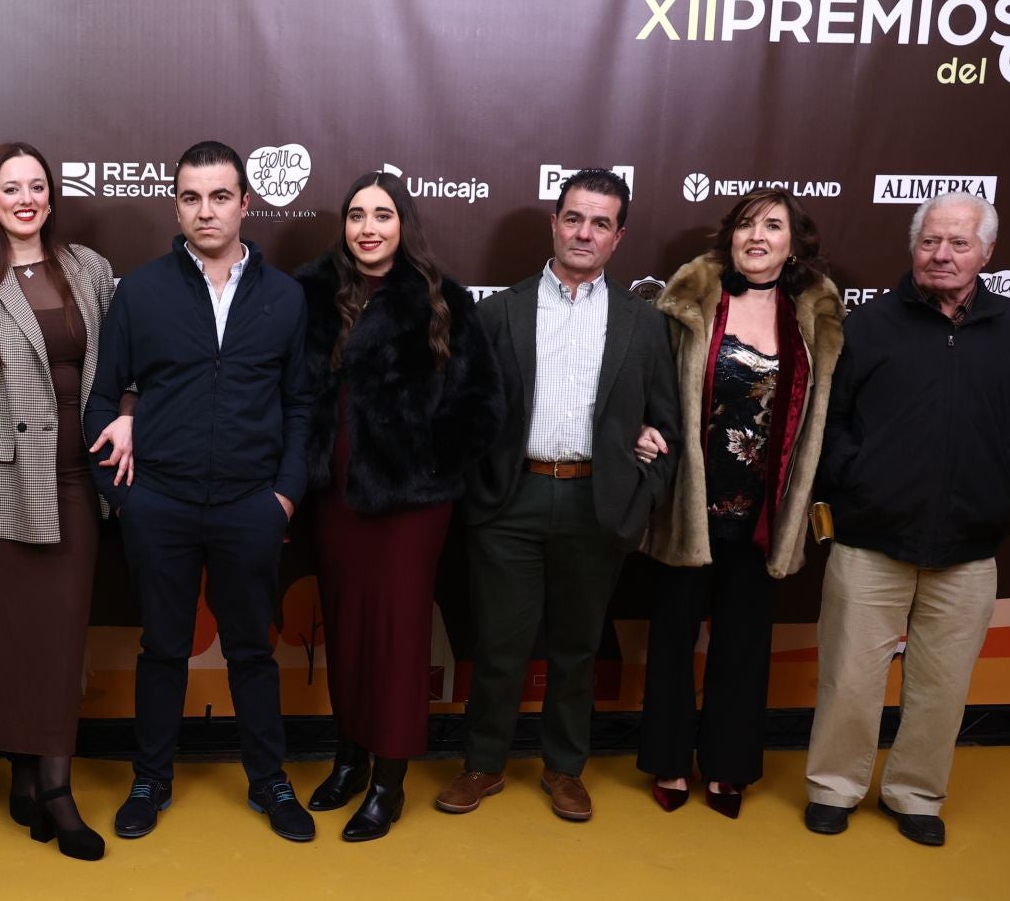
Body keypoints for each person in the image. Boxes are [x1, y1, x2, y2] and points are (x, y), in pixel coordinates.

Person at [84, 140, 315, 843]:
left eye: (220, 196)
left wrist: (284, 496)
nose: (205, 210)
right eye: (191, 197)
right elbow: (100, 402)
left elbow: (301, 403)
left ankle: (269, 781)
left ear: (246, 203)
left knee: (251, 650)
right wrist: (125, 496)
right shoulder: (142, 291)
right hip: (161, 504)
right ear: (176, 205)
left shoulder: (285, 296)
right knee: (163, 648)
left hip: (251, 504)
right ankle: (150, 780)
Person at [805, 193, 1010, 846]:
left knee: (943, 682)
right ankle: (834, 786)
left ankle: (915, 794)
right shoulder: (867, 326)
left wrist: (1006, 485)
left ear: (987, 252)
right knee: (850, 677)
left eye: (958, 243)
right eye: (929, 241)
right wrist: (857, 480)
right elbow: (827, 422)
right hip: (870, 538)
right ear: (913, 246)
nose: (942, 254)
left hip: (969, 546)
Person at [437, 168, 680, 822]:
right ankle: (483, 764)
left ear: (619, 236)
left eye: (600, 222)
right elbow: (461, 414)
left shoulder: (642, 323)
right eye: (574, 217)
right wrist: (479, 490)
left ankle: (565, 769)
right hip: (509, 503)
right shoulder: (499, 312)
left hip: (596, 505)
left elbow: (670, 426)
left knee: (577, 648)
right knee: (498, 645)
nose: (584, 232)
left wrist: (643, 491)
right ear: (555, 223)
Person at [0, 142, 127, 862]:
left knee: (60, 636)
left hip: (77, 480)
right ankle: (32, 782)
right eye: (12, 187)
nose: (26, 198)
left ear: (50, 195)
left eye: (37, 185)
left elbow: (126, 357)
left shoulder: (89, 270)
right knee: (9, 641)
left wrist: (128, 408)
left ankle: (54, 784)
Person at [296, 172, 504, 841]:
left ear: (402, 225)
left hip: (411, 506)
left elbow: (481, 407)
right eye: (355, 214)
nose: (367, 227)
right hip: (337, 500)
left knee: (398, 638)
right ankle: (348, 760)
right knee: (347, 630)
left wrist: (427, 467)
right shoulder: (312, 295)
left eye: (382, 215)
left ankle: (389, 782)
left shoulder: (444, 301)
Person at [637, 189, 843, 818]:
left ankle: (728, 767)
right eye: (747, 225)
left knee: (744, 640)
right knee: (673, 635)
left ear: (794, 243)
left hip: (762, 511)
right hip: (688, 501)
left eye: (773, 226)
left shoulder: (814, 317)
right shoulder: (693, 301)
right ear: (729, 237)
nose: (758, 237)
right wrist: (645, 430)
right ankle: (669, 761)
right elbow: (650, 382)